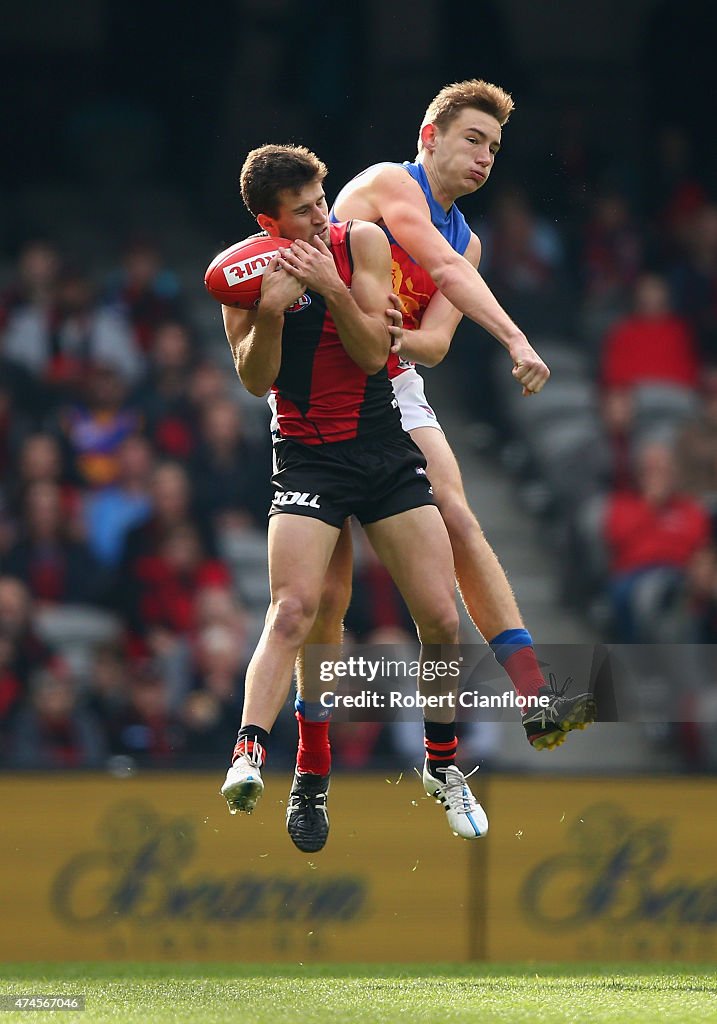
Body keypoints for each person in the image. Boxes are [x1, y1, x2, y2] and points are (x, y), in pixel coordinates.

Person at [286, 80, 596, 852]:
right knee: (324, 602)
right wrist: (518, 341)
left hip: (387, 383)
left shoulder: (471, 240)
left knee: (457, 516)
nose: (484, 156)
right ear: (429, 136)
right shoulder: (392, 186)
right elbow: (446, 277)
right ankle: (310, 769)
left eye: (494, 147)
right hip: (318, 389)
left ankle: (530, 692)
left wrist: (393, 334)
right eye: (472, 140)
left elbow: (431, 342)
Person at [219, 143, 488, 843]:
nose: (320, 216)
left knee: (439, 619)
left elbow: (375, 353)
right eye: (303, 210)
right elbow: (254, 379)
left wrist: (331, 287)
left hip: (380, 448)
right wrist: (272, 314)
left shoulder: (360, 241)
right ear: (266, 220)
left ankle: (441, 764)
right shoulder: (243, 275)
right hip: (306, 458)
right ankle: (260, 757)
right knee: (297, 611)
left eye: (320, 200)